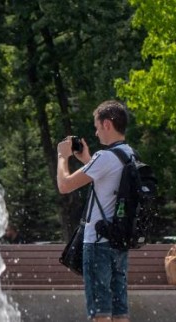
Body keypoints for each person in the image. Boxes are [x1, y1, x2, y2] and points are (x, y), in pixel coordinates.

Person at [56, 100, 131, 322]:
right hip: (119, 241)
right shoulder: (129, 155)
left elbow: (65, 185)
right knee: (119, 311)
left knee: (100, 313)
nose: (96, 132)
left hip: (98, 243)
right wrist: (87, 160)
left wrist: (63, 157)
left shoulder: (105, 157)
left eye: (97, 127)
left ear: (107, 124)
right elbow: (106, 188)